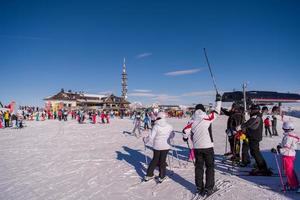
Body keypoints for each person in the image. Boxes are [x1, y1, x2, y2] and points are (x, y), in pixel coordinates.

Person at [182, 93, 222, 197]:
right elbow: (216, 112)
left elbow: (185, 131)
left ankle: (199, 187)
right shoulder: (207, 118)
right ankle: (209, 188)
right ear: (203, 110)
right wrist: (218, 100)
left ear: (195, 111)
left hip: (197, 148)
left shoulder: (192, 120)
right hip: (208, 147)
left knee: (199, 167)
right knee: (210, 167)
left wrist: (185, 137)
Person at [241, 104, 273, 176]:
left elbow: (247, 124)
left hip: (254, 137)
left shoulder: (255, 117)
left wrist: (242, 127)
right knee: (254, 152)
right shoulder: (257, 116)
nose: (250, 111)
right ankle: (261, 166)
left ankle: (262, 168)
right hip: (254, 136)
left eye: (251, 110)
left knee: (255, 153)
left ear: (254, 110)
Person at [143, 112, 174, 183]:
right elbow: (172, 136)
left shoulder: (156, 126)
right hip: (166, 146)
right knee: (162, 160)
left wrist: (145, 140)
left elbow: (151, 137)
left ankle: (149, 174)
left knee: (155, 160)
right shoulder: (169, 126)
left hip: (157, 146)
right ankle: (162, 176)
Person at [273, 121, 300, 191]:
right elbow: (285, 145)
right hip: (290, 155)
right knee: (290, 170)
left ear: (285, 128)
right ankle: (293, 183)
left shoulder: (288, 137)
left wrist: (279, 150)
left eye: (284, 128)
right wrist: (280, 146)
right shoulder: (290, 136)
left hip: (287, 155)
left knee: (289, 171)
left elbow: (287, 148)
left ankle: (293, 185)